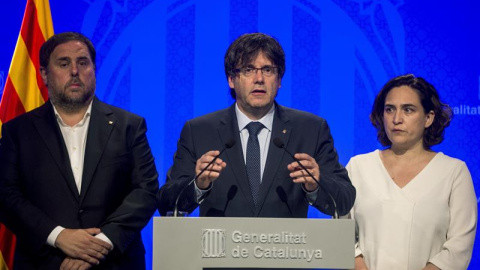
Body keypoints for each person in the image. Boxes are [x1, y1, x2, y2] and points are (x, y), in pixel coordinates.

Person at [0, 32, 159, 269]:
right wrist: (58, 236)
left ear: (94, 69)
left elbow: (146, 190)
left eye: (83, 62)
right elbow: (6, 195)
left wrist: (100, 244)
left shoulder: (129, 125)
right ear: (44, 74)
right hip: (44, 261)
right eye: (63, 63)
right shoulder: (18, 131)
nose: (74, 71)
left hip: (115, 261)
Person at [157, 33, 355, 218]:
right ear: (231, 80)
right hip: (219, 251)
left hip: (287, 250)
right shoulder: (199, 131)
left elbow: (345, 199)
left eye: (268, 70)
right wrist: (197, 185)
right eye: (248, 69)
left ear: (279, 80)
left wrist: (316, 185)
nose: (259, 79)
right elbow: (167, 202)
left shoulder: (311, 129)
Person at [345, 74, 477, 270]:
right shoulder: (358, 167)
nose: (397, 119)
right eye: (390, 109)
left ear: (428, 118)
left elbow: (458, 248)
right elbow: (341, 236)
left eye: (408, 110)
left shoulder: (454, 172)